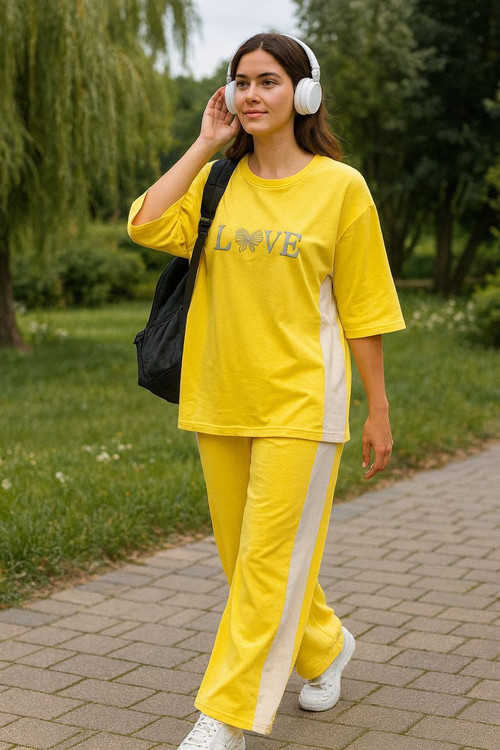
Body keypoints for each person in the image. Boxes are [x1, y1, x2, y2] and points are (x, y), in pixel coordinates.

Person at [128, 32, 405, 750]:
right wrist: (204, 145)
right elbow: (147, 222)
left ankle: (225, 716)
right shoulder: (218, 182)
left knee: (264, 565)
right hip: (219, 395)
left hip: (302, 404)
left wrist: (377, 409)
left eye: (269, 81)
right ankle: (325, 645)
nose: (252, 95)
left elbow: (366, 308)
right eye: (242, 81)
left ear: (304, 94)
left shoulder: (341, 188)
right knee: (245, 562)